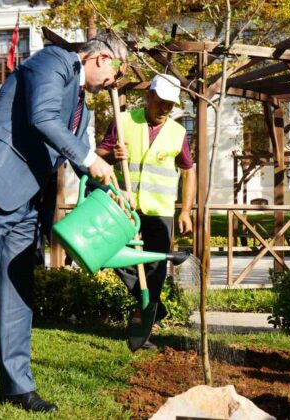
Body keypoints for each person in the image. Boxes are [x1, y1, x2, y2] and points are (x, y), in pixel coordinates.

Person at [0, 32, 127, 420]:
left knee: (18, 294)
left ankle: (17, 384)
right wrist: (91, 158)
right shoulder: (53, 61)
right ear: (102, 57)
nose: (114, 82)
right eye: (116, 72)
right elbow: (42, 118)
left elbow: (75, 158)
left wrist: (109, 189)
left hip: (24, 202)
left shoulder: (83, 109)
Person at [96, 74, 196, 349]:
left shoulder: (178, 133)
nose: (164, 109)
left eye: (170, 105)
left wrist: (185, 210)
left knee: (155, 272)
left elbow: (189, 172)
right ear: (148, 96)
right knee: (109, 252)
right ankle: (154, 307)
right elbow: (97, 155)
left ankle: (144, 332)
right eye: (160, 102)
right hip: (126, 207)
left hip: (160, 213)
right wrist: (112, 154)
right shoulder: (124, 120)